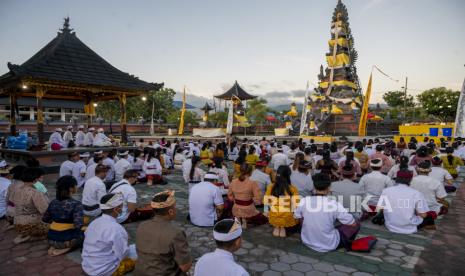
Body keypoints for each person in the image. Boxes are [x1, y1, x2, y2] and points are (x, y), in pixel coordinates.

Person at [294, 173, 360, 252]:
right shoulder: (334, 204)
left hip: (307, 240)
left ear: (314, 187)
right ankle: (348, 244)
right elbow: (352, 223)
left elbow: (297, 216)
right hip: (329, 244)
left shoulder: (304, 200)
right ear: (329, 188)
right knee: (356, 223)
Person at [135, 190, 192, 276]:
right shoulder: (176, 232)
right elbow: (185, 267)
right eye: (174, 207)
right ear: (170, 212)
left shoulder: (141, 226)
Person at [82, 193, 136, 276]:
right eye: (121, 206)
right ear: (116, 209)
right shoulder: (116, 228)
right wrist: (125, 240)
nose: (122, 208)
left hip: (87, 266)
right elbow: (122, 255)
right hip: (105, 271)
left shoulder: (94, 222)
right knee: (136, 250)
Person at [42, 176, 84, 256]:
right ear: (71, 188)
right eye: (75, 185)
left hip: (50, 239)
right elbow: (78, 225)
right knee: (87, 232)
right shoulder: (76, 204)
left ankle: (53, 247)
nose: (77, 187)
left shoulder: (53, 202)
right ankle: (65, 248)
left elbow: (45, 219)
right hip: (65, 241)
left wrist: (58, 223)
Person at [13, 167, 50, 244]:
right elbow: (45, 211)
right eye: (41, 177)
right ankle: (32, 236)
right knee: (56, 226)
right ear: (36, 179)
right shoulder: (35, 192)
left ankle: (24, 235)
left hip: (17, 225)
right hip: (32, 225)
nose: (41, 179)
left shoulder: (16, 190)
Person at [228, 164, 267, 228]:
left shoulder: (233, 181)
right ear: (251, 172)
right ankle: (244, 221)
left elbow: (230, 195)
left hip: (236, 207)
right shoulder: (252, 183)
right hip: (248, 208)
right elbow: (259, 197)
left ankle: (239, 222)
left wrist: (236, 200)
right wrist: (252, 200)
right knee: (263, 218)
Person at [264, 165, 299, 238]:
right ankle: (282, 228)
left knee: (276, 228)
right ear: (288, 175)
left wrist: (266, 211)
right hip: (286, 215)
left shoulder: (271, 186)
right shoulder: (292, 188)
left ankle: (277, 227)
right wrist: (293, 214)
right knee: (283, 229)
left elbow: (266, 200)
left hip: (274, 214)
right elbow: (295, 204)